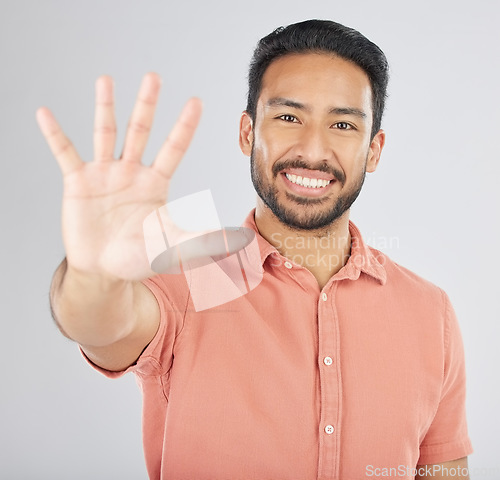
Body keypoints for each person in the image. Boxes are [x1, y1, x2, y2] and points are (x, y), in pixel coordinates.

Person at [37, 19, 473, 480]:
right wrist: (94, 272)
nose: (313, 149)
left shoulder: (430, 312)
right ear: (247, 132)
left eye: (343, 124)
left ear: (374, 150)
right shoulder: (191, 272)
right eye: (288, 117)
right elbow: (99, 325)